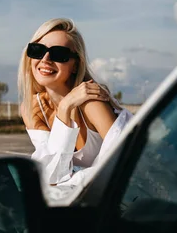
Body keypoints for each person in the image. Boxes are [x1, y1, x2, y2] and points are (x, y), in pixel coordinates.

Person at [18, 18, 133, 191]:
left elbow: (125, 163)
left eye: (59, 54)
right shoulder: (31, 109)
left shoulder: (91, 103)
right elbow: (52, 176)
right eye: (38, 50)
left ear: (75, 64)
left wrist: (72, 179)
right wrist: (65, 109)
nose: (45, 59)